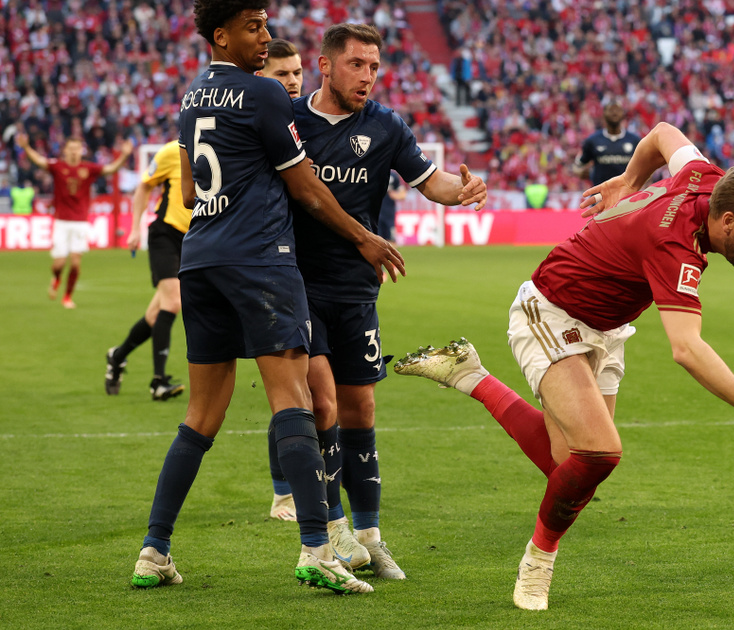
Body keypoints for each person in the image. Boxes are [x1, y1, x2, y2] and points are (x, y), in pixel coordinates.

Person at [395, 122, 734, 611]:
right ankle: (537, 562)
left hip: (608, 325)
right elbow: (687, 348)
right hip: (552, 310)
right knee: (601, 452)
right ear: (730, 220)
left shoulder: (702, 176)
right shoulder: (674, 246)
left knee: (570, 468)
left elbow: (661, 133)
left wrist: (630, 180)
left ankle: (471, 376)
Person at [129, 0, 403, 595]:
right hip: (259, 261)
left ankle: (154, 548)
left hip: (200, 258)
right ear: (221, 35)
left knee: (200, 418)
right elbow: (305, 188)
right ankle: (316, 548)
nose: (266, 37)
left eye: (266, 26)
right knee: (294, 401)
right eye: (254, 27)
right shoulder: (265, 95)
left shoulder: (191, 95)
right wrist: (366, 238)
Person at [278, 22, 488, 580]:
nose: (368, 76)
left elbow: (430, 181)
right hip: (296, 283)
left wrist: (461, 191)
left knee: (360, 409)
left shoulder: (386, 126)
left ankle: (370, 536)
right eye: (357, 65)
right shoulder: (289, 121)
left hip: (356, 287)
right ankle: (335, 531)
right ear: (325, 66)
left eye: (374, 66)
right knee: (321, 404)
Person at [253, 37, 306, 522]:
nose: (292, 82)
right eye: (281, 75)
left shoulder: (305, 119)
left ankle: (303, 492)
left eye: (296, 73)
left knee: (309, 390)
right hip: (268, 264)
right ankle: (283, 493)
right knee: (288, 386)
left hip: (312, 271)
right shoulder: (257, 122)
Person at [104, 140, 189, 401]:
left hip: (194, 239)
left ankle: (117, 357)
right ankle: (158, 382)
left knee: (156, 314)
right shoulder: (171, 151)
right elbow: (143, 186)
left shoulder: (221, 147)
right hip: (165, 234)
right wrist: (134, 228)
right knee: (173, 302)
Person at [16, 133, 132, 309]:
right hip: (61, 222)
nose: (73, 152)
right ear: (65, 151)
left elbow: (111, 169)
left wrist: (124, 155)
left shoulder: (89, 168)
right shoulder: (57, 166)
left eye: (76, 148)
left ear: (81, 151)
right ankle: (56, 278)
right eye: (70, 148)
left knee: (76, 263)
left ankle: (67, 297)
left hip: (80, 222)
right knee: (58, 264)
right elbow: (39, 161)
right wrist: (25, 147)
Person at [574, 100, 641, 187]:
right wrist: (579, 172)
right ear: (604, 114)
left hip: (627, 197)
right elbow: (578, 165)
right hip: (600, 197)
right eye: (611, 110)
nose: (614, 112)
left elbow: (646, 168)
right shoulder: (592, 141)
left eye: (617, 110)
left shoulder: (635, 140)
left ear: (623, 114)